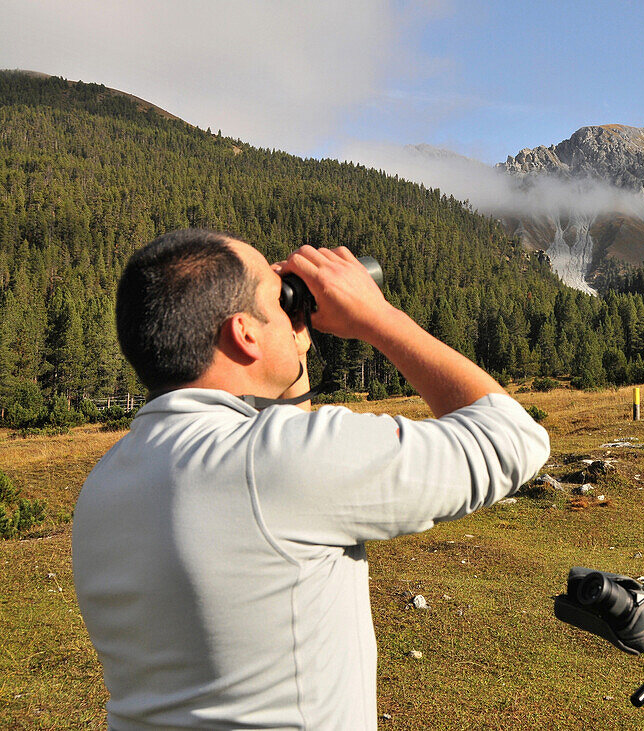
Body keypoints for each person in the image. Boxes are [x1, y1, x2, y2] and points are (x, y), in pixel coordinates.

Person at [72, 228, 550, 729]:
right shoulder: (274, 464)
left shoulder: (106, 482)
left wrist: (289, 351)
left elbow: (274, 457)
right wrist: (377, 316)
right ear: (245, 333)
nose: (292, 307)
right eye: (278, 297)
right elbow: (513, 438)